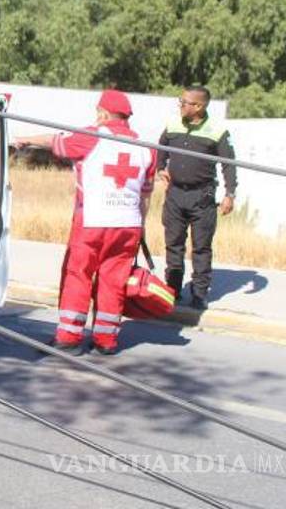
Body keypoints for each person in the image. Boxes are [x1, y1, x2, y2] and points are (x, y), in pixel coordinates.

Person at [13, 90, 156, 355]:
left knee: (78, 274)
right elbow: (146, 195)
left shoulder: (91, 136)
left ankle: (69, 337)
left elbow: (55, 141)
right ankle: (106, 340)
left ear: (102, 112)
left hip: (93, 220)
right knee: (114, 279)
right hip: (128, 224)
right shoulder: (147, 149)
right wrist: (141, 226)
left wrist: (24, 140)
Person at [156, 85, 237, 310]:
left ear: (198, 106)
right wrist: (160, 167)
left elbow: (229, 165)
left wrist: (230, 194)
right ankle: (172, 290)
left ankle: (199, 294)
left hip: (202, 196)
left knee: (201, 247)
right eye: (180, 101)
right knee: (173, 244)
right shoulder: (172, 124)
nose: (180, 105)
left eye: (184, 102)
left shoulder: (217, 130)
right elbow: (160, 148)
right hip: (175, 194)